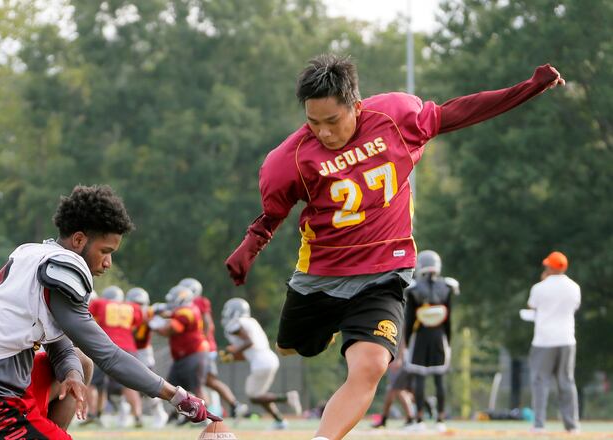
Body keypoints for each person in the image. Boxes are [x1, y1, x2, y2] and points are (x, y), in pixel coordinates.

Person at [224, 54, 565, 440]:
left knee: (370, 367)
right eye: (313, 122)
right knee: (295, 346)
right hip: (322, 274)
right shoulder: (290, 159)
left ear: (356, 105)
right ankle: (321, 329)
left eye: (332, 121)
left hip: (385, 271)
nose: (324, 133)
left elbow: (461, 111)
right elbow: (272, 214)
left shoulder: (395, 118)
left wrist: (528, 87)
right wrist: (249, 247)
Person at [0, 185, 216, 440]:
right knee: (87, 361)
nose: (107, 263)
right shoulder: (66, 266)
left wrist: (70, 372)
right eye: (105, 251)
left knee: (80, 365)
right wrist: (175, 395)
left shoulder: (32, 253)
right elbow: (109, 355)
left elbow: (61, 343)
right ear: (79, 240)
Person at [220, 297, 302, 430]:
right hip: (267, 359)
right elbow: (250, 350)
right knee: (260, 395)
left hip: (262, 363)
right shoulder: (250, 322)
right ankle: (279, 421)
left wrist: (232, 352)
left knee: (254, 396)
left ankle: (287, 397)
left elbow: (248, 342)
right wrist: (232, 356)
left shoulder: (236, 323)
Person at [403, 250, 459, 432]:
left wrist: (406, 341)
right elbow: (448, 319)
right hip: (439, 337)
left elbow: (410, 319)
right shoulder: (447, 286)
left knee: (419, 378)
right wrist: (448, 342)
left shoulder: (413, 288)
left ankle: (419, 420)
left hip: (420, 336)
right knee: (439, 378)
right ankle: (440, 420)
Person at [527, 251, 580, 433]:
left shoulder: (539, 287)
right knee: (566, 382)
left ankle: (539, 424)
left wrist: (543, 280)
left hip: (543, 340)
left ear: (549, 267)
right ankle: (572, 426)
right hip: (567, 339)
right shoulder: (574, 287)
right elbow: (574, 307)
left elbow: (532, 306)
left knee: (540, 382)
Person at [179, 277, 247, 419]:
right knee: (202, 381)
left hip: (203, 348)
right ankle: (230, 406)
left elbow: (208, 324)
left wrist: (200, 342)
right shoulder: (189, 304)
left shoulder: (198, 302)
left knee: (204, 382)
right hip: (199, 348)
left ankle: (229, 406)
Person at [150, 285, 211, 423]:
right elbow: (171, 314)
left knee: (197, 386)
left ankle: (207, 417)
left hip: (194, 354)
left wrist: (154, 325)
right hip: (184, 356)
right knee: (173, 387)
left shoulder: (186, 311)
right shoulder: (186, 310)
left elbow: (170, 329)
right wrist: (162, 313)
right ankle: (181, 415)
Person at [88, 285, 145, 428]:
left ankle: (93, 414)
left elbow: (86, 318)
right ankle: (138, 415)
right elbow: (137, 325)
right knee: (130, 383)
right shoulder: (132, 307)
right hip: (128, 348)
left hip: (106, 346)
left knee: (94, 383)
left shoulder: (100, 303)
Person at [126, 286, 169, 428]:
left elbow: (164, 309)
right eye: (135, 304)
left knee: (149, 384)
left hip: (143, 352)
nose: (137, 307)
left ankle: (159, 413)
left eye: (140, 304)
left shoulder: (150, 312)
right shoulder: (124, 312)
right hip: (127, 351)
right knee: (124, 383)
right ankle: (126, 413)